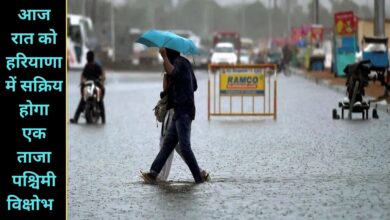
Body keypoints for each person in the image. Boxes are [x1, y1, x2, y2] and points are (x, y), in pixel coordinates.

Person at [141, 48, 206, 184]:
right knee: (167, 145)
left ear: (169, 54)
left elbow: (174, 73)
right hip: (179, 111)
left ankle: (199, 177)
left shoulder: (179, 64)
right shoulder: (185, 63)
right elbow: (194, 85)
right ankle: (153, 173)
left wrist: (164, 57)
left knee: (184, 147)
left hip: (184, 112)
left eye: (166, 54)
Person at [157, 73, 209, 182]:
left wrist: (166, 76)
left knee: (167, 143)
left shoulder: (173, 69)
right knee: (176, 145)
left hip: (174, 111)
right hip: (180, 111)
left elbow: (166, 89)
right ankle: (199, 172)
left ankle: (161, 176)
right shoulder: (182, 69)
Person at [70, 50, 106, 124]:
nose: (87, 57)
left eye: (87, 56)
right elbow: (83, 75)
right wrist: (82, 81)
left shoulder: (96, 66)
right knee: (83, 99)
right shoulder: (87, 66)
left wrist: (102, 80)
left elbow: (102, 74)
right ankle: (75, 119)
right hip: (88, 85)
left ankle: (103, 119)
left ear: (90, 57)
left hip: (95, 84)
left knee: (99, 100)